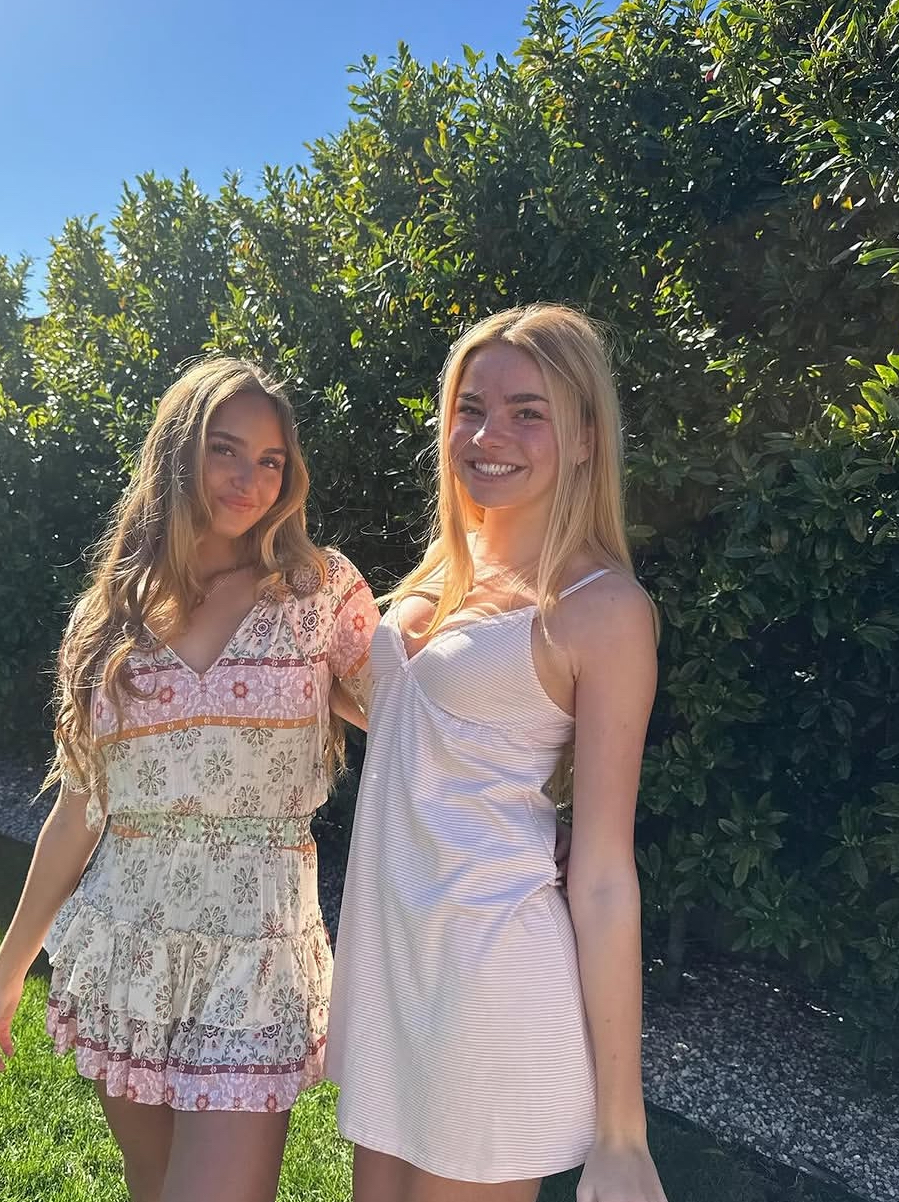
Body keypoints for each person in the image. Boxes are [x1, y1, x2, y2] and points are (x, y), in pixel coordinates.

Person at [0, 358, 378, 1202]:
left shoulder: (318, 592)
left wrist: (529, 807)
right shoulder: (109, 617)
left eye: (271, 460)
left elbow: (417, 724)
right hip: (130, 948)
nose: (251, 479)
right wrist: (10, 964)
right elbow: (80, 805)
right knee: (154, 1186)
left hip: (257, 954)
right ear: (177, 454)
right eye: (225, 450)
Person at [326, 304, 667, 1202]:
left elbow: (604, 875)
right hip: (395, 968)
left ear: (585, 437)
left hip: (490, 979)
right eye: (470, 408)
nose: (487, 435)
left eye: (527, 412)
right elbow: (418, 729)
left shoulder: (601, 609)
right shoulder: (440, 576)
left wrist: (622, 1134)